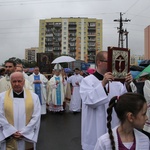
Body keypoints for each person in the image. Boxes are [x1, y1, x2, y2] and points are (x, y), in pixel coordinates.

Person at [80, 51, 133, 150]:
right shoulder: (87, 81)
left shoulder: (117, 82)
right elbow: (89, 101)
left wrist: (127, 84)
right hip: (94, 127)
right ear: (99, 62)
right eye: (108, 61)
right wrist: (103, 83)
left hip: (113, 125)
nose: (112, 64)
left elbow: (124, 101)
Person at [0, 72, 41, 150]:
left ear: (24, 81)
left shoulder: (34, 97)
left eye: (19, 81)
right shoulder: (1, 97)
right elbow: (0, 116)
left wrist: (24, 132)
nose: (17, 84)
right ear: (10, 82)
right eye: (14, 81)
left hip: (26, 137)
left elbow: (36, 117)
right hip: (8, 136)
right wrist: (11, 131)